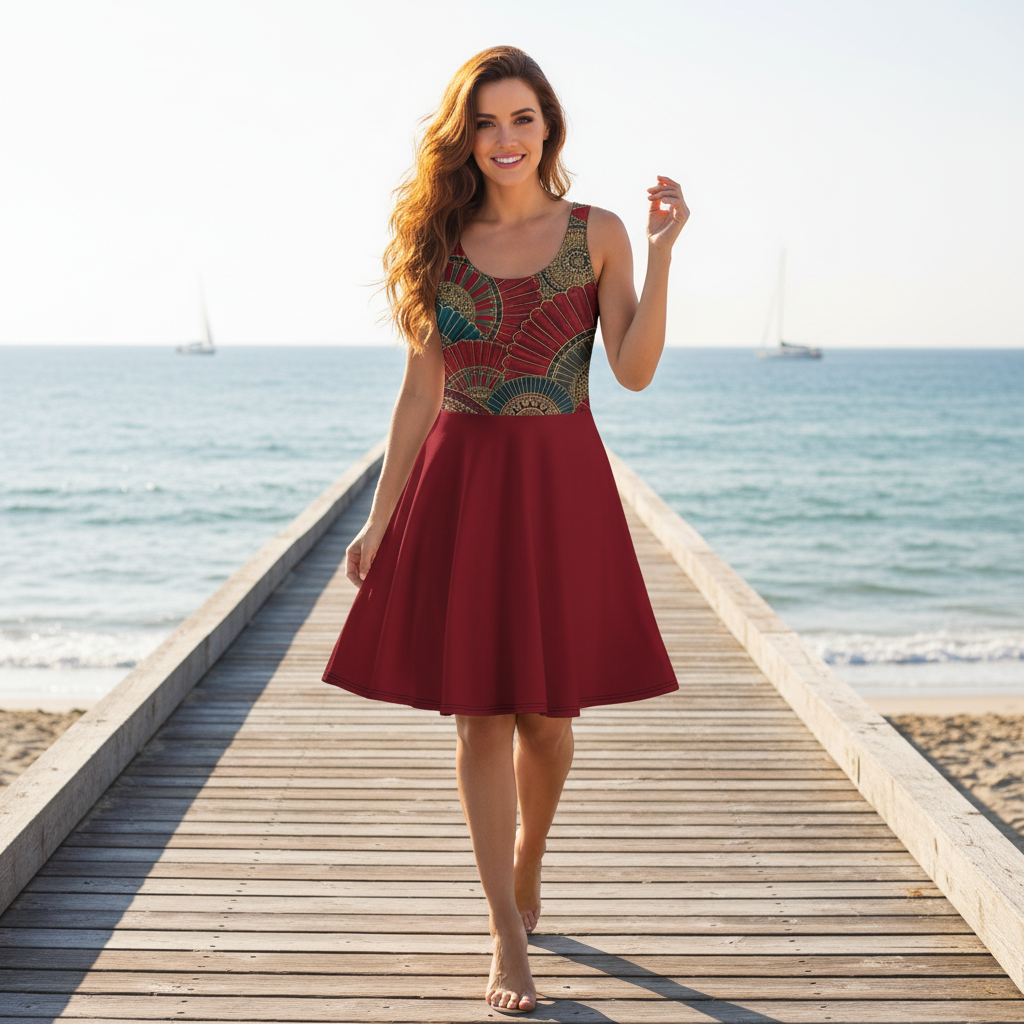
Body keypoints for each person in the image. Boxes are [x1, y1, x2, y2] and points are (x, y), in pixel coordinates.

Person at [322, 45, 689, 1014]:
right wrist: (377, 520)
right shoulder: (436, 245)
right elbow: (416, 392)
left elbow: (636, 370)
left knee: (550, 720)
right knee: (479, 711)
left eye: (520, 118)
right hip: (462, 482)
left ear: (548, 126)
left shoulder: (597, 232)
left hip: (561, 481)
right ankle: (503, 928)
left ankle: (528, 854)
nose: (504, 139)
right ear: (465, 137)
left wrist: (660, 253)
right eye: (485, 122)